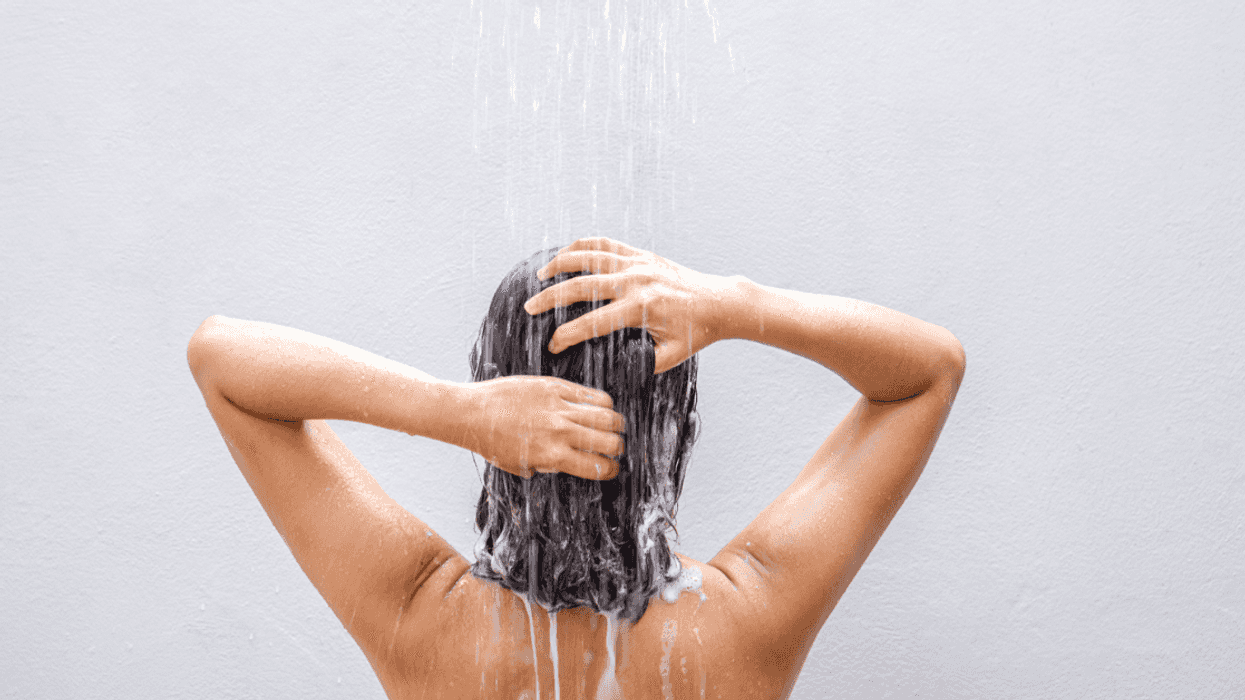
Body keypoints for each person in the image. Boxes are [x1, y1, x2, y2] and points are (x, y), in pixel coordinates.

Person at [187, 237, 965, 700]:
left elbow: (221, 356)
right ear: (671, 425)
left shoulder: (420, 616)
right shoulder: (746, 618)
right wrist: (734, 305)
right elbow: (928, 370)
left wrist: (453, 409)